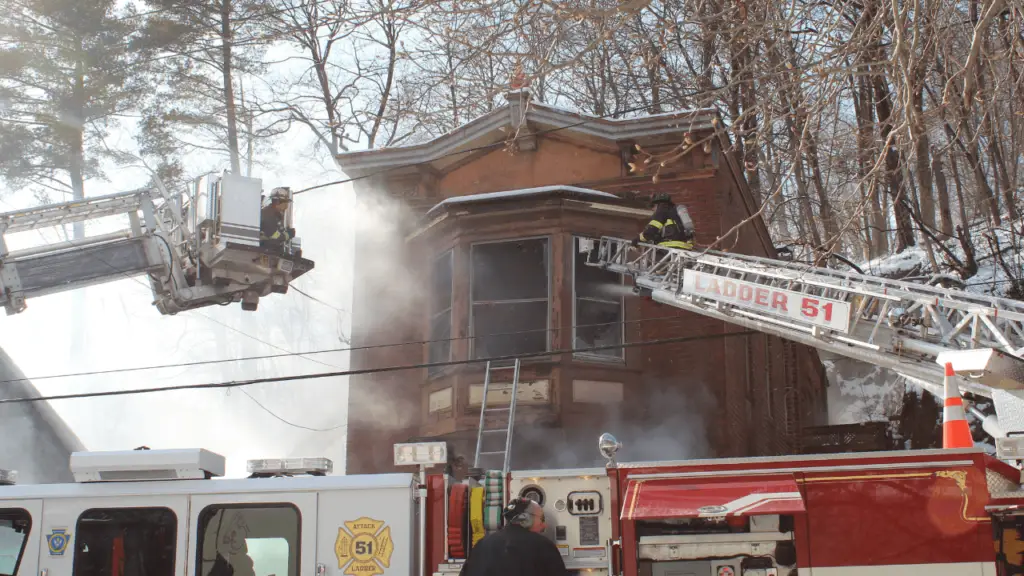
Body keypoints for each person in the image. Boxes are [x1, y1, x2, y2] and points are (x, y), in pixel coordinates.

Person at [458, 498, 567, 576]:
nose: (544, 525)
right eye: (542, 519)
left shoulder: (481, 545)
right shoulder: (544, 545)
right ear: (526, 519)